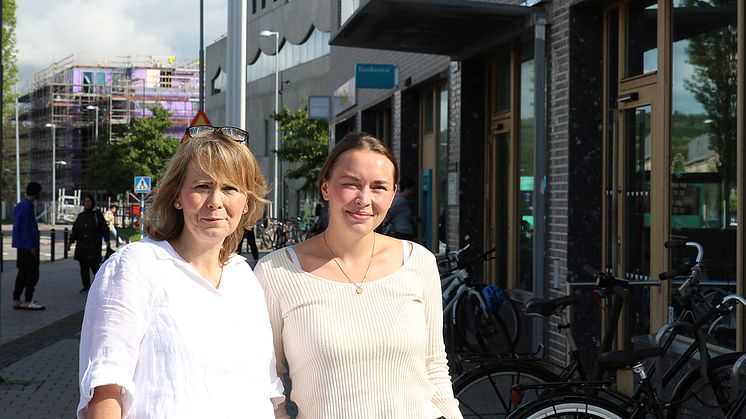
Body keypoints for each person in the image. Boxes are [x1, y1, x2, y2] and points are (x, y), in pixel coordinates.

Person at [77, 126, 284, 418]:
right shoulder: (136, 265)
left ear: (246, 201)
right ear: (177, 196)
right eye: (202, 186)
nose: (216, 201)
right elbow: (105, 389)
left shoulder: (244, 277)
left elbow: (269, 390)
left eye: (230, 188)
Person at [255, 132, 462, 419]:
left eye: (379, 187)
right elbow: (266, 379)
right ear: (325, 187)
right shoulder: (277, 272)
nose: (364, 199)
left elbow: (435, 364)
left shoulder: (418, 262)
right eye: (351, 184)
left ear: (392, 194)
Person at [11, 182, 45, 311]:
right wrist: (32, 245)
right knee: (32, 273)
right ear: (36, 192)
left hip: (21, 245)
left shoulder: (20, 205)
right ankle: (27, 300)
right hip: (28, 246)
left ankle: (16, 299)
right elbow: (25, 227)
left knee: (22, 273)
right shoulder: (27, 206)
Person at [68, 195, 111, 294]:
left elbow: (104, 229)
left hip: (93, 247)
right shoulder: (81, 216)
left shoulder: (97, 215)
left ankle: (101, 286)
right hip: (82, 247)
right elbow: (75, 231)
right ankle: (86, 286)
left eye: (89, 201)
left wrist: (107, 241)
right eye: (85, 201)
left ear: (92, 203)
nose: (87, 203)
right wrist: (70, 242)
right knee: (83, 269)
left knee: (95, 268)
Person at [383, 176, 416, 241]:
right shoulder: (399, 200)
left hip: (403, 231)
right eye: (412, 189)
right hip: (402, 232)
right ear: (407, 188)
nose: (412, 192)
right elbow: (389, 212)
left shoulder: (402, 200)